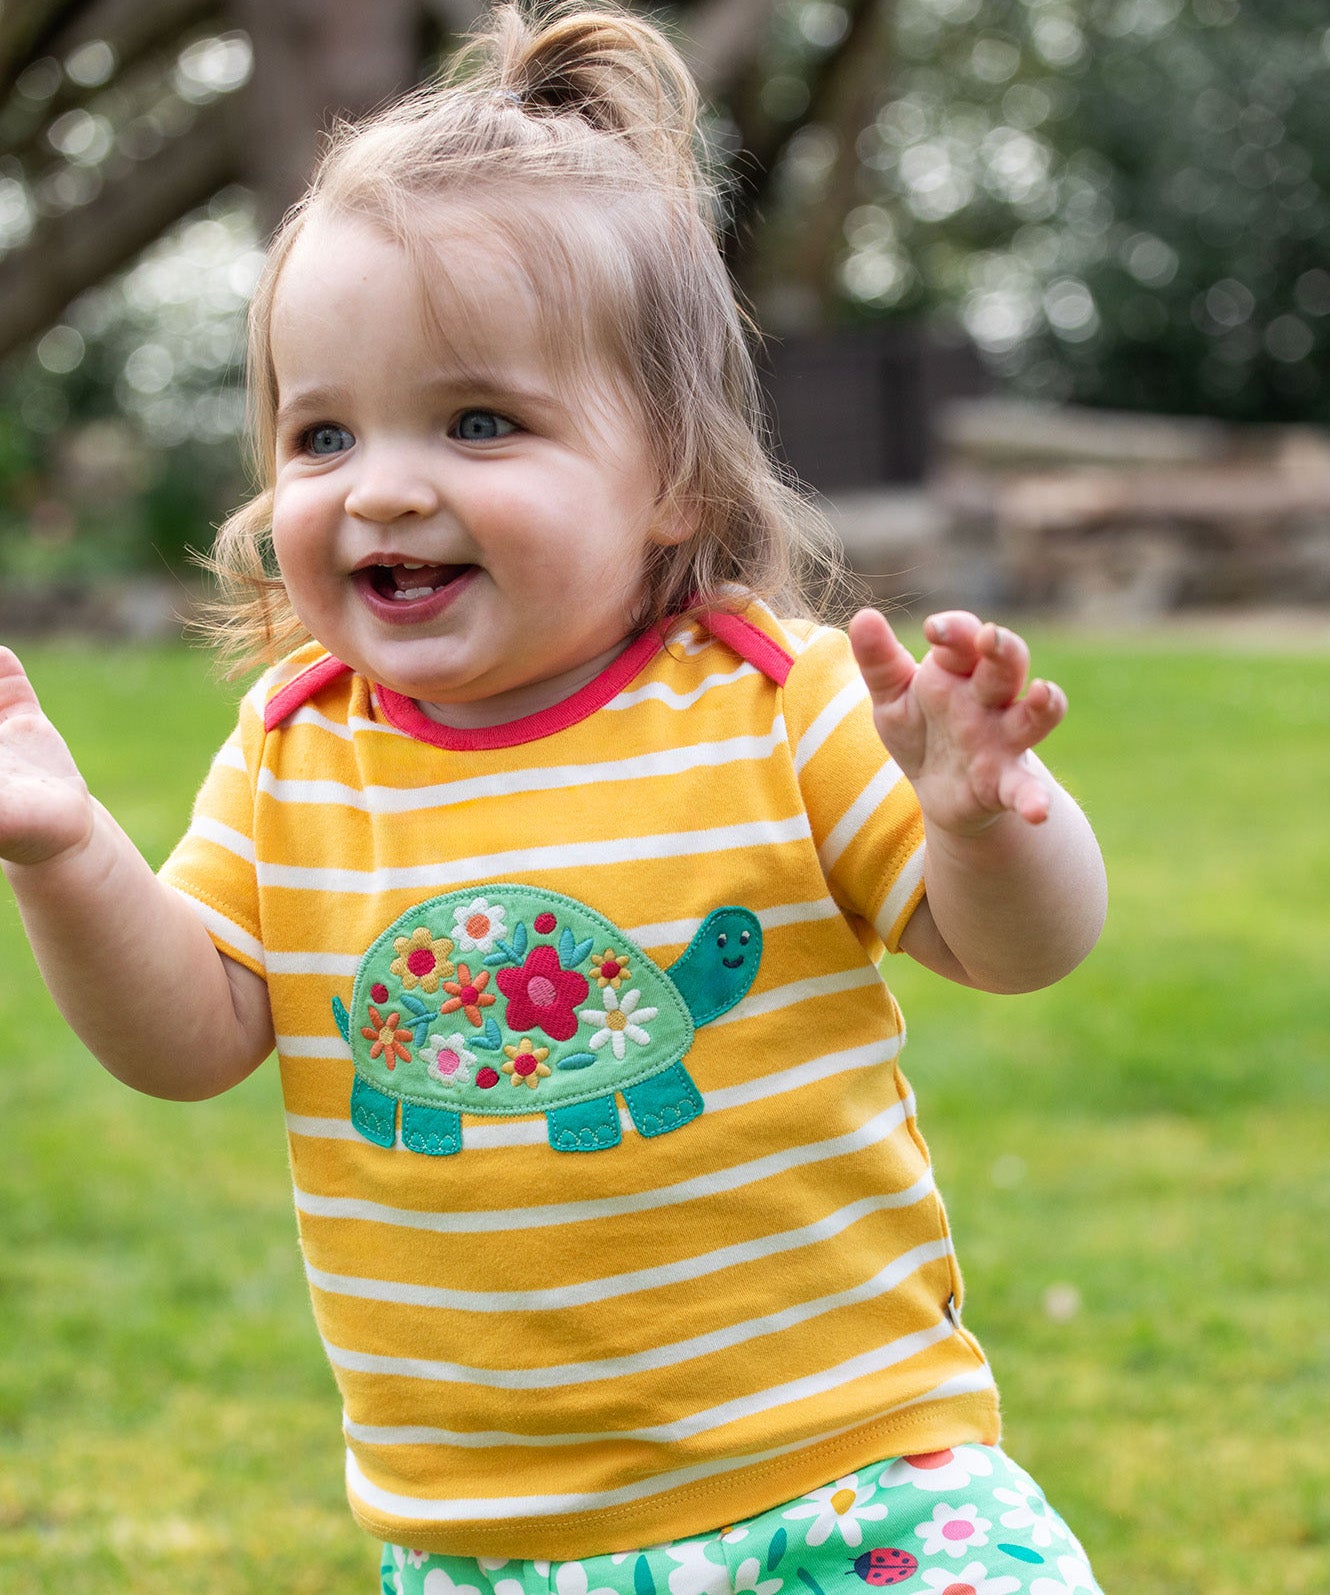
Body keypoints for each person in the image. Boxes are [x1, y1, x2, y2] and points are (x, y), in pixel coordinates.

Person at [0, 4, 1108, 1591]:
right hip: (495, 1544)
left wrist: (984, 820)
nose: (379, 484)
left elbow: (1018, 949)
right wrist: (63, 849)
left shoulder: (764, 699)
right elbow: (193, 1037)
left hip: (848, 1480)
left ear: (670, 475)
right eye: (322, 432)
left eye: (476, 422)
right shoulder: (299, 746)